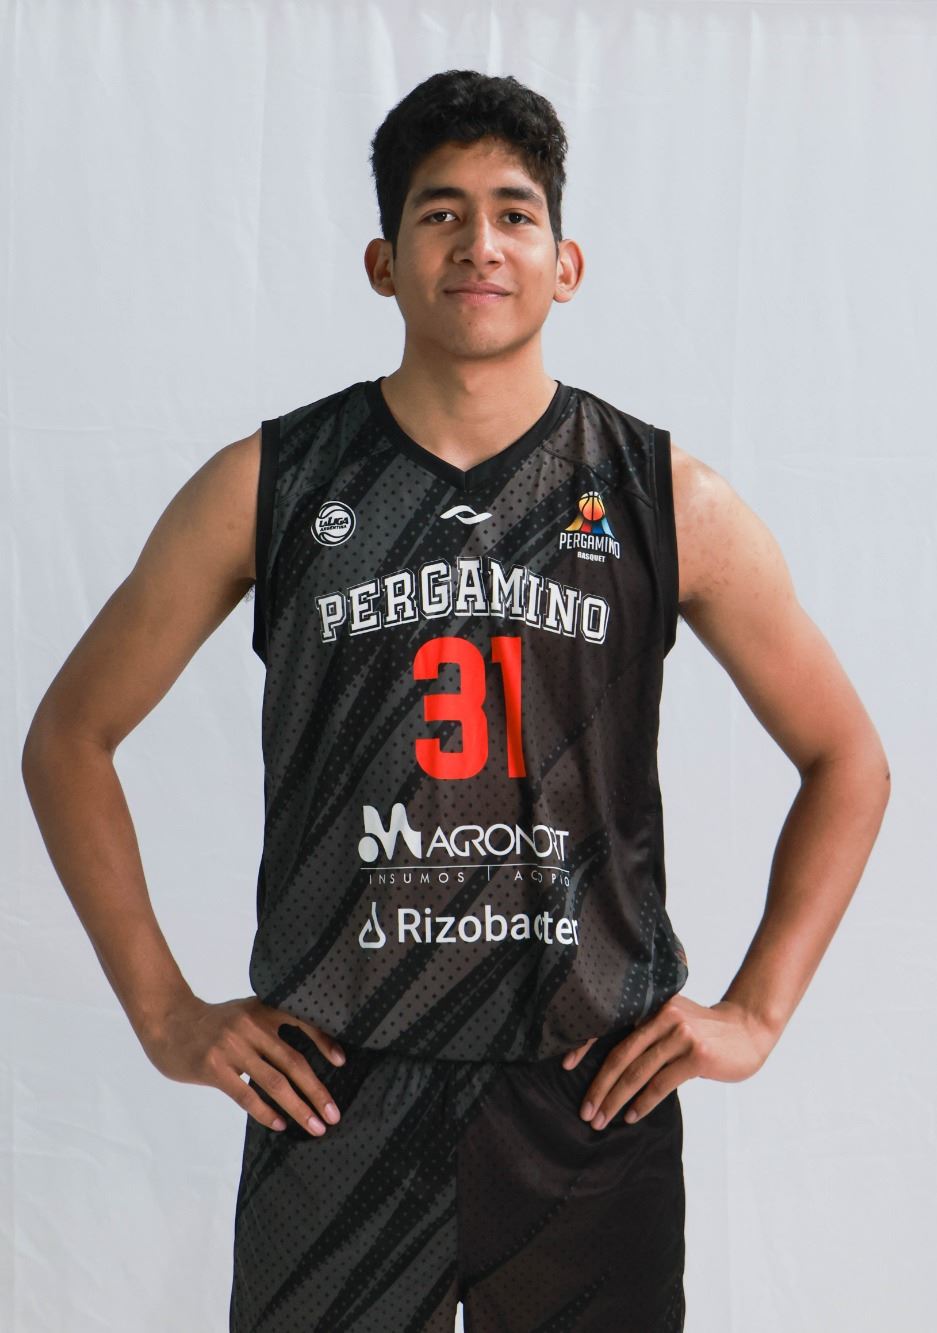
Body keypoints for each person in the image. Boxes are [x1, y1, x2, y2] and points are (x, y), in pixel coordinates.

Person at [21, 68, 889, 1333]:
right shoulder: (272, 482)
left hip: (587, 1089)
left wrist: (755, 1013)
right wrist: (163, 1012)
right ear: (383, 262)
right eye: (440, 213)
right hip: (336, 1089)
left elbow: (846, 756)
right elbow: (68, 738)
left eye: (513, 213)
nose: (479, 242)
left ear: (565, 263)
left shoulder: (663, 495)